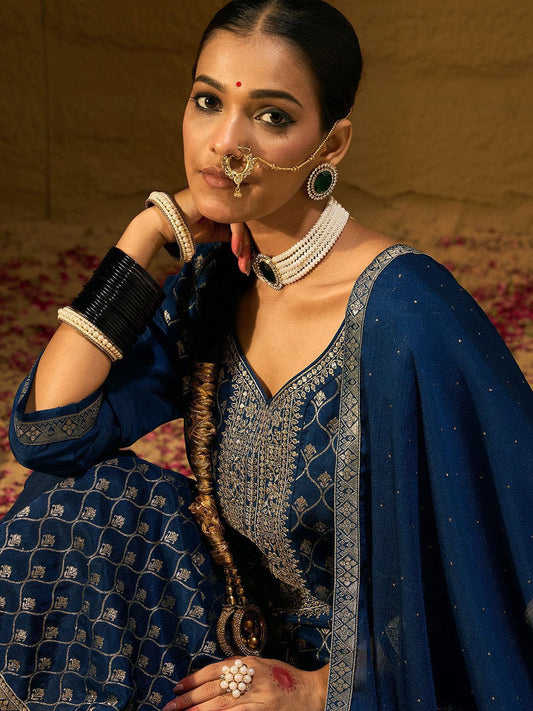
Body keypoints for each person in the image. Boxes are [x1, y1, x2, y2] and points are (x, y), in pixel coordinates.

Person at [0, 0, 531, 709]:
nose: (225, 142)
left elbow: (482, 573)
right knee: (79, 507)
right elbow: (50, 434)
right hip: (236, 634)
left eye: (272, 116)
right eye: (207, 101)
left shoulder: (406, 313)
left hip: (380, 680)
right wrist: (145, 235)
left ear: (331, 145)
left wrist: (316, 689)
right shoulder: (215, 286)